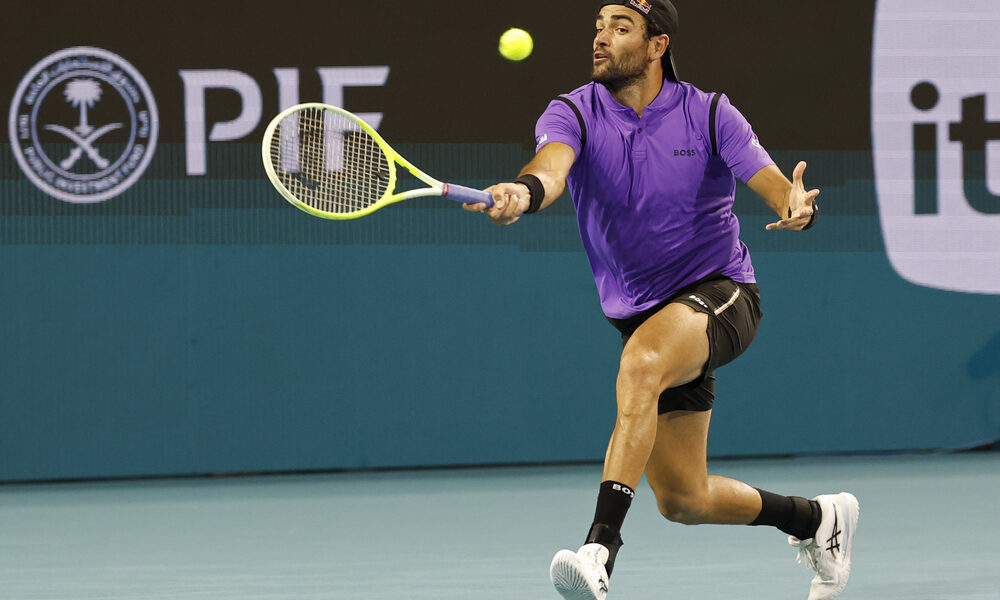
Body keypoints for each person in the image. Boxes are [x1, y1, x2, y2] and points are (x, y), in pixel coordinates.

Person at [464, 1, 859, 599]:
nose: (601, 38)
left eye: (620, 28)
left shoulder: (710, 113)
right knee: (683, 498)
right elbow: (551, 169)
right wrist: (523, 191)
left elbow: (778, 189)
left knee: (642, 363)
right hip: (646, 316)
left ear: (657, 46)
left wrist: (797, 207)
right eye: (599, 26)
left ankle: (600, 549)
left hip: (722, 292)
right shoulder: (572, 110)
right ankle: (817, 519)